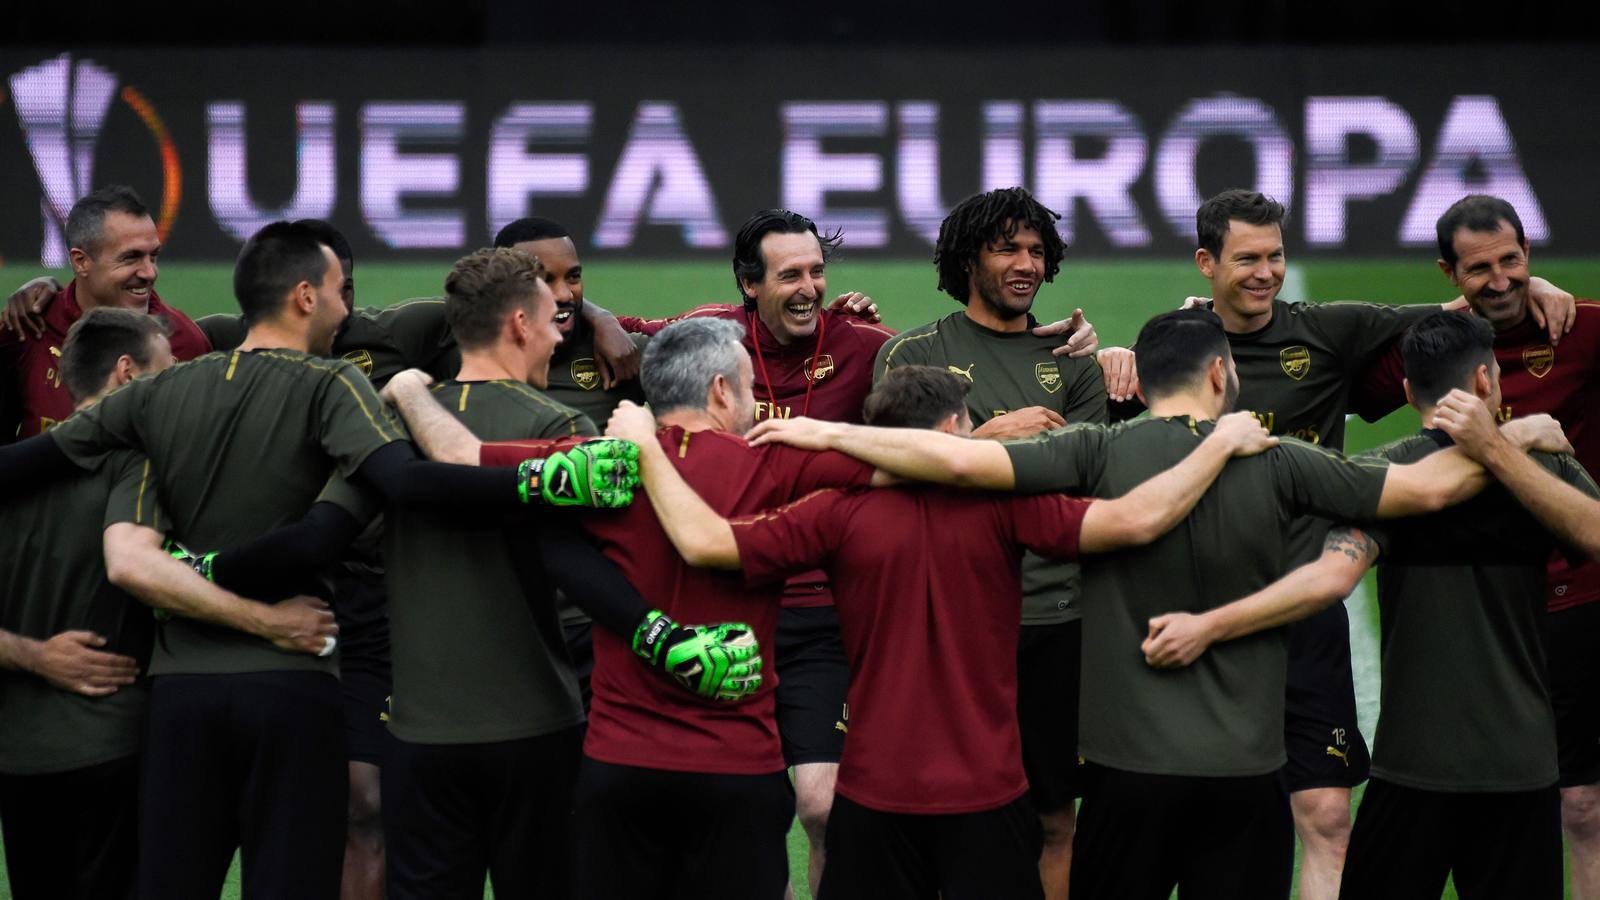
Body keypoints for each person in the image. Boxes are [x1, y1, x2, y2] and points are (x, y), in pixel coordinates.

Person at [747, 307, 1557, 899]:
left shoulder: (1094, 450)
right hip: (1248, 771)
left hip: (1124, 778)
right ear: (1219, 374)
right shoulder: (1280, 461)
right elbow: (1419, 489)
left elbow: (955, 464)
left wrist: (828, 435)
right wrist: (1502, 439)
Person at [0, 221, 638, 900]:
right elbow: (401, 487)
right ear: (305, 297)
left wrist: (204, 567)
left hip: (178, 698)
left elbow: (28, 463)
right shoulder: (336, 387)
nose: (348, 309)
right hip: (295, 683)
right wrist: (541, 481)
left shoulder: (155, 393)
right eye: (339, 291)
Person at [607, 364, 1278, 899]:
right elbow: (1134, 521)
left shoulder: (834, 513)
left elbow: (705, 542)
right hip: (988, 794)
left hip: (873, 794)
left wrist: (643, 445)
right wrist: (1218, 443)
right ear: (955, 425)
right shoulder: (1006, 506)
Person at [1098, 189, 1575, 900]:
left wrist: (1525, 282)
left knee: (1325, 812)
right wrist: (1108, 356)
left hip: (1304, 609)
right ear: (1205, 263)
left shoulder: (1330, 329)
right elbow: (1112, 417)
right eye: (1247, 259)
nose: (1266, 273)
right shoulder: (1172, 343)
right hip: (1198, 597)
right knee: (1188, 805)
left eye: (1276, 257)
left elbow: (1460, 313)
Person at [381, 316, 894, 898]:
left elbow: (458, 452)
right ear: (721, 391)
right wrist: (831, 434)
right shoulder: (774, 465)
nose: (756, 406)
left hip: (619, 765)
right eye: (750, 388)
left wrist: (408, 390)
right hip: (736, 764)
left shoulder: (599, 463)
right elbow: (905, 468)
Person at [1348, 194, 1600, 897]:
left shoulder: (1583, 327)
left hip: (1576, 594)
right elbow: (1337, 377)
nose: (1499, 281)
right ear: (1447, 273)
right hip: (1472, 603)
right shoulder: (1435, 344)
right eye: (1479, 268)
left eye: (1513, 262)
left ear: (1531, 256)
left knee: (1582, 804)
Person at [874, 187, 1108, 896]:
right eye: (1007, 247)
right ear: (967, 258)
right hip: (950, 623)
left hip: (1055, 621)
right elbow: (887, 476)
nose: (1026, 263)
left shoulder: (1075, 362)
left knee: (1054, 817)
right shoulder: (913, 355)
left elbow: (1089, 484)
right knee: (941, 813)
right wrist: (986, 440)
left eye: (1037, 250)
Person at [0, 185, 210, 440]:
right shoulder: (29, 327)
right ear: (81, 262)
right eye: (131, 258)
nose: (149, 273)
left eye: (152, 256)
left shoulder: (185, 341)